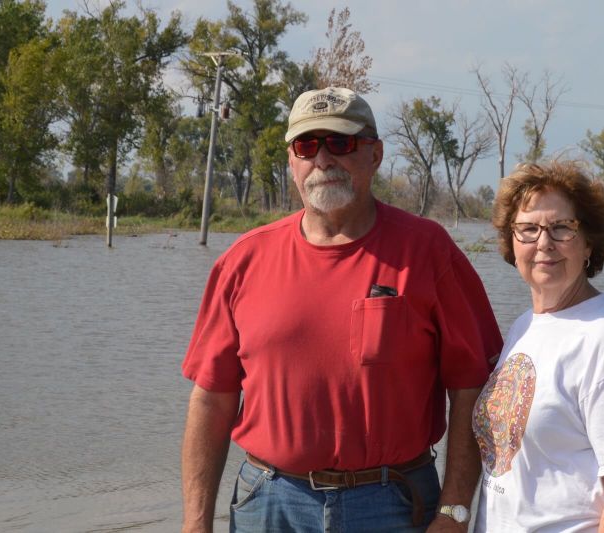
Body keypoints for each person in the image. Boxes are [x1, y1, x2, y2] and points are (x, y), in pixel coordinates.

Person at [180, 87, 503, 533]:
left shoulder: (428, 252)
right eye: (307, 145)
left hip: (393, 502)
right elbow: (212, 397)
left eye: (340, 142)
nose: (323, 159)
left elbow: (471, 389)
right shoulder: (243, 261)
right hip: (268, 502)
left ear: (375, 154)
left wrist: (454, 510)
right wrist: (196, 523)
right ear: (292, 161)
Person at [472, 161, 604, 533]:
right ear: (512, 244)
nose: (544, 243)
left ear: (589, 242)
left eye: (562, 228)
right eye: (528, 229)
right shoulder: (525, 327)